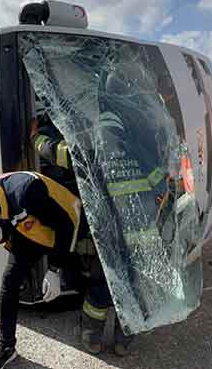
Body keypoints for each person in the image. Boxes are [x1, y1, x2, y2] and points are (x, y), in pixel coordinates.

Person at [30, 104, 133, 356]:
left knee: (100, 283)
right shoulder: (137, 152)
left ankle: (92, 335)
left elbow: (56, 152)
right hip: (137, 233)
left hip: (107, 232)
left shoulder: (92, 152)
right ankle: (124, 339)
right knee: (132, 286)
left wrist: (35, 137)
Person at [0, 171, 81, 369]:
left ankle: (97, 323)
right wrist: (2, 233)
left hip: (70, 223)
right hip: (33, 228)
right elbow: (11, 218)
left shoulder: (28, 190)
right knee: (9, 281)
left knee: (78, 275)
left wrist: (55, 268)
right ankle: (7, 348)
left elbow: (64, 226)